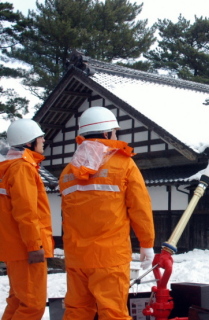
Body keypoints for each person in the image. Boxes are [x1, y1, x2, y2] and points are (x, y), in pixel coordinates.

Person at [59, 107, 155, 320]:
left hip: (76, 257)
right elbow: (140, 207)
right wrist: (146, 244)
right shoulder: (123, 164)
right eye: (114, 132)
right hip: (109, 257)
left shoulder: (68, 172)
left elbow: (67, 215)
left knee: (77, 311)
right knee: (113, 313)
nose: (115, 136)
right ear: (105, 134)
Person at [0, 119, 54, 320]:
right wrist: (35, 245)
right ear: (28, 142)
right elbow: (27, 212)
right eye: (40, 137)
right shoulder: (22, 168)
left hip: (14, 247)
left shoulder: (7, 167)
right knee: (32, 306)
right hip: (26, 248)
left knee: (17, 301)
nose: (44, 140)